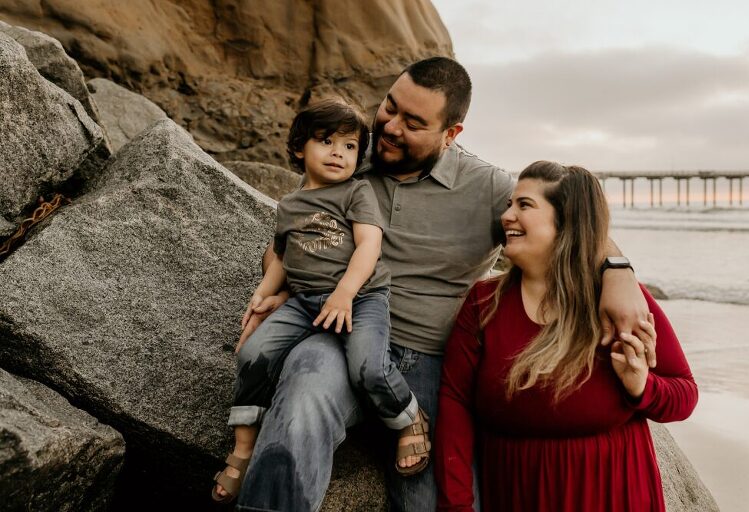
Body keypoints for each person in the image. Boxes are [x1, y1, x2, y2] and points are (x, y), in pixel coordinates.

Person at [234, 58, 652, 512]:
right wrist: (281, 289)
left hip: (426, 357)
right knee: (301, 403)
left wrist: (618, 271)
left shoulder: (489, 188)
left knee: (435, 500)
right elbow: (294, 238)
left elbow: (572, 222)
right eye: (389, 107)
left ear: (451, 135)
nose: (390, 127)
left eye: (413, 123)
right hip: (337, 335)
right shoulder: (348, 157)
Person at [434, 161, 698, 511]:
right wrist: (456, 505)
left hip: (612, 492)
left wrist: (641, 386)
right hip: (516, 491)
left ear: (565, 220)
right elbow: (455, 402)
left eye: (524, 205)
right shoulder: (483, 303)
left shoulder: (620, 303)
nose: (507, 216)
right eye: (509, 204)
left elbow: (684, 394)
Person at [212, 99, 431, 503]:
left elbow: (369, 246)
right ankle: (243, 449)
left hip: (361, 298)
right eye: (326, 141)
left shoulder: (356, 192)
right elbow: (282, 256)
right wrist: (263, 295)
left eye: (350, 147)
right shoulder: (291, 204)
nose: (338, 152)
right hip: (305, 301)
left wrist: (345, 293)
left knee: (368, 365)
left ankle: (408, 417)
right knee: (252, 355)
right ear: (299, 148)